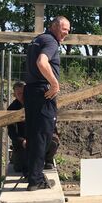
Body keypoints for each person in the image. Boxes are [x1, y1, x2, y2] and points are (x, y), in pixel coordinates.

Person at [24, 16, 70, 191]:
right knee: (43, 135)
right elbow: (42, 62)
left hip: (31, 90)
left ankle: (32, 173)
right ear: (55, 26)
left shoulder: (37, 39)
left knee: (33, 133)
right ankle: (35, 180)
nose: (67, 32)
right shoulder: (51, 41)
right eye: (65, 29)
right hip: (43, 92)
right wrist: (55, 83)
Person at [7, 81, 60, 174]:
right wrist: (21, 141)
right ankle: (17, 158)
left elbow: (50, 124)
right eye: (19, 94)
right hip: (24, 142)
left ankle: (48, 159)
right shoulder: (12, 108)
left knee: (53, 141)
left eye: (24, 93)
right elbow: (11, 132)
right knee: (20, 168)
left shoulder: (37, 103)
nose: (22, 96)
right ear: (14, 95)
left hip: (40, 137)